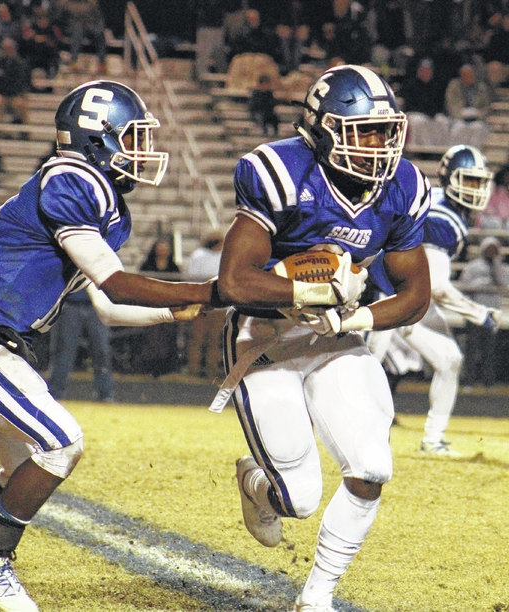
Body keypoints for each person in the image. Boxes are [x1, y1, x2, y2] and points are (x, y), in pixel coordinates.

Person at [0, 79, 217, 612]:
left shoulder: (106, 205)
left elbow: (107, 304)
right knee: (61, 443)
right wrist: (209, 288)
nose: (143, 152)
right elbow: (116, 283)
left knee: (23, 471)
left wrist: (186, 307)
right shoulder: (72, 177)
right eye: (133, 137)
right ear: (97, 139)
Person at [211, 64, 431, 612]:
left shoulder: (402, 186)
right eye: (364, 132)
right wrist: (316, 294)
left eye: (385, 131)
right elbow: (235, 280)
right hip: (264, 338)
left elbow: (415, 294)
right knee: (300, 498)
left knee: (372, 467)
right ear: (322, 129)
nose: (379, 146)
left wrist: (355, 320)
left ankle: (318, 596)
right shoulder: (281, 171)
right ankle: (256, 482)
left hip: (335, 337)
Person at [366, 145, 498, 457]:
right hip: (385, 294)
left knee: (449, 359)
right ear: (449, 178)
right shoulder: (445, 217)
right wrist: (479, 313)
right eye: (469, 181)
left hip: (404, 294)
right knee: (364, 366)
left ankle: (433, 439)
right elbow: (437, 286)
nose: (475, 190)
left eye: (479, 183)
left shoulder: (441, 205)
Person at [459, 235, 509, 388]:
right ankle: (469, 381)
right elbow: (463, 285)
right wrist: (479, 283)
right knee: (472, 348)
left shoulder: (501, 267)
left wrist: (496, 264)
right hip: (475, 311)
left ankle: (488, 382)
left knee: (490, 349)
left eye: (495, 249)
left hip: (492, 313)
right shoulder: (473, 266)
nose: (491, 252)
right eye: (489, 249)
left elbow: (504, 283)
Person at [48, 288, 115, 401]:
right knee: (64, 352)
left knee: (101, 351)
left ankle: (105, 394)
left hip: (91, 305)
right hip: (73, 304)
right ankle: (55, 392)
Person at [138, 235, 182, 377]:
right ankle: (149, 366)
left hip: (168, 306)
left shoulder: (173, 268)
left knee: (166, 337)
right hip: (151, 306)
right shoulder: (147, 265)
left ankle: (165, 368)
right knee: (151, 337)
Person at [184, 230, 226, 380]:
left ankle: (211, 373)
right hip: (200, 303)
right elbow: (192, 276)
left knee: (214, 340)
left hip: (219, 305)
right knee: (197, 339)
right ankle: (193, 372)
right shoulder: (199, 255)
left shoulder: (225, 255)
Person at [444, 64, 493, 149]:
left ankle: (474, 154)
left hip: (477, 119)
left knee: (478, 128)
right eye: (465, 75)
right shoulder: (454, 86)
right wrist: (461, 114)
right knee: (458, 129)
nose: (468, 77)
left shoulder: (481, 88)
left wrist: (478, 114)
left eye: (470, 75)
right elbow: (451, 104)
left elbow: (486, 107)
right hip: (459, 118)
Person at [476, 163, 509, 230]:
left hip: (505, 227)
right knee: (493, 223)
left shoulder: (505, 193)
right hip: (489, 226)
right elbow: (482, 209)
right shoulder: (492, 188)